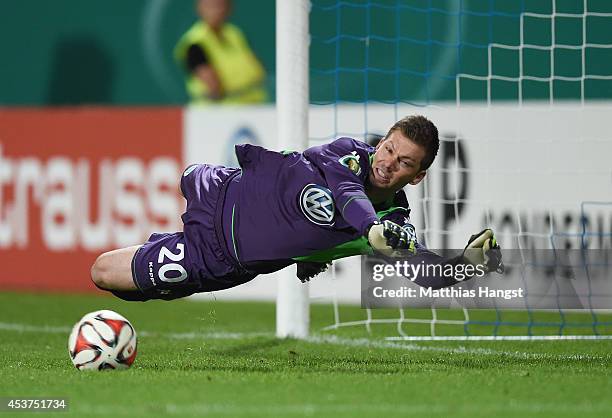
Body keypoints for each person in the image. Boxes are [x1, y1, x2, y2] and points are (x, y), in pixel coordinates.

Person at [91, 115, 502, 301]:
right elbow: (345, 193)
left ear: (417, 177)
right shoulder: (346, 154)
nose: (387, 162)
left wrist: (467, 264)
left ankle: (161, 251)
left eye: (404, 162)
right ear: (380, 142)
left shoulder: (392, 225)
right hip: (219, 187)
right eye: (388, 148)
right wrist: (369, 229)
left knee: (104, 273)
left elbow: (425, 275)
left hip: (217, 257)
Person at [174, 0, 267, 104]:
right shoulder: (194, 43)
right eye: (211, 6)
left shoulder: (235, 33)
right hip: (216, 111)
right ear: (199, 8)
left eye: (221, 5)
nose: (217, 10)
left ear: (229, 8)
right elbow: (213, 85)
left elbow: (255, 65)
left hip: (252, 106)